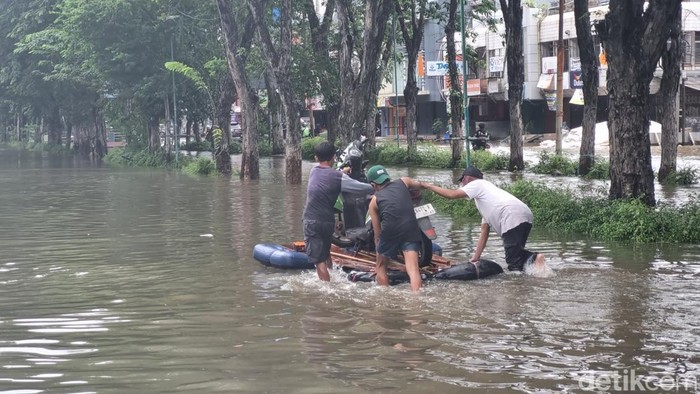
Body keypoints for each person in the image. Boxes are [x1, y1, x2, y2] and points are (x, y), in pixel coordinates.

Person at [420, 166, 545, 273]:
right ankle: (535, 274)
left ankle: (534, 259)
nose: (462, 185)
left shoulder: (477, 184)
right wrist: (475, 258)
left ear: (466, 178)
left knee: (513, 262)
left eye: (462, 182)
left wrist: (429, 186)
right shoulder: (488, 198)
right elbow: (484, 233)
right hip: (524, 213)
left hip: (510, 214)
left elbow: (452, 195)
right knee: (517, 254)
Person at [303, 141, 373, 282]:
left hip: (311, 220)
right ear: (334, 157)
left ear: (316, 158)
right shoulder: (338, 177)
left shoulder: (313, 171)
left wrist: (341, 173)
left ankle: (327, 289)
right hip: (328, 222)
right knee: (326, 253)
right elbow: (362, 188)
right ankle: (332, 277)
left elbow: (326, 176)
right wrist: (374, 186)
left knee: (319, 260)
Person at [366, 165, 424, 292]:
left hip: (390, 231)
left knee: (381, 266)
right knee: (413, 270)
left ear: (373, 185)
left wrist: (379, 248)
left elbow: (377, 232)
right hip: (411, 228)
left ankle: (384, 296)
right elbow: (420, 184)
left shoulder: (374, 201)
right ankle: (417, 302)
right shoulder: (403, 181)